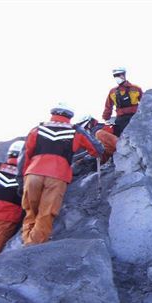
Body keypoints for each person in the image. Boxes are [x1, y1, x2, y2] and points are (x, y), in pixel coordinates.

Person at [18, 103, 104, 245]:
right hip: (57, 175)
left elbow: (24, 155)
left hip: (32, 173)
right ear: (70, 116)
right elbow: (96, 148)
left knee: (30, 212)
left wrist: (21, 181)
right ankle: (32, 246)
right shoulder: (75, 131)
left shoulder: (37, 129)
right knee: (46, 213)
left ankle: (27, 240)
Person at [102, 67, 143, 137]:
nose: (116, 77)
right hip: (120, 121)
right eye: (114, 76)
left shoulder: (136, 89)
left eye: (118, 75)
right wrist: (105, 118)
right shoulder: (112, 92)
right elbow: (108, 107)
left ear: (124, 75)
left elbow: (145, 104)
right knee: (120, 139)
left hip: (134, 118)